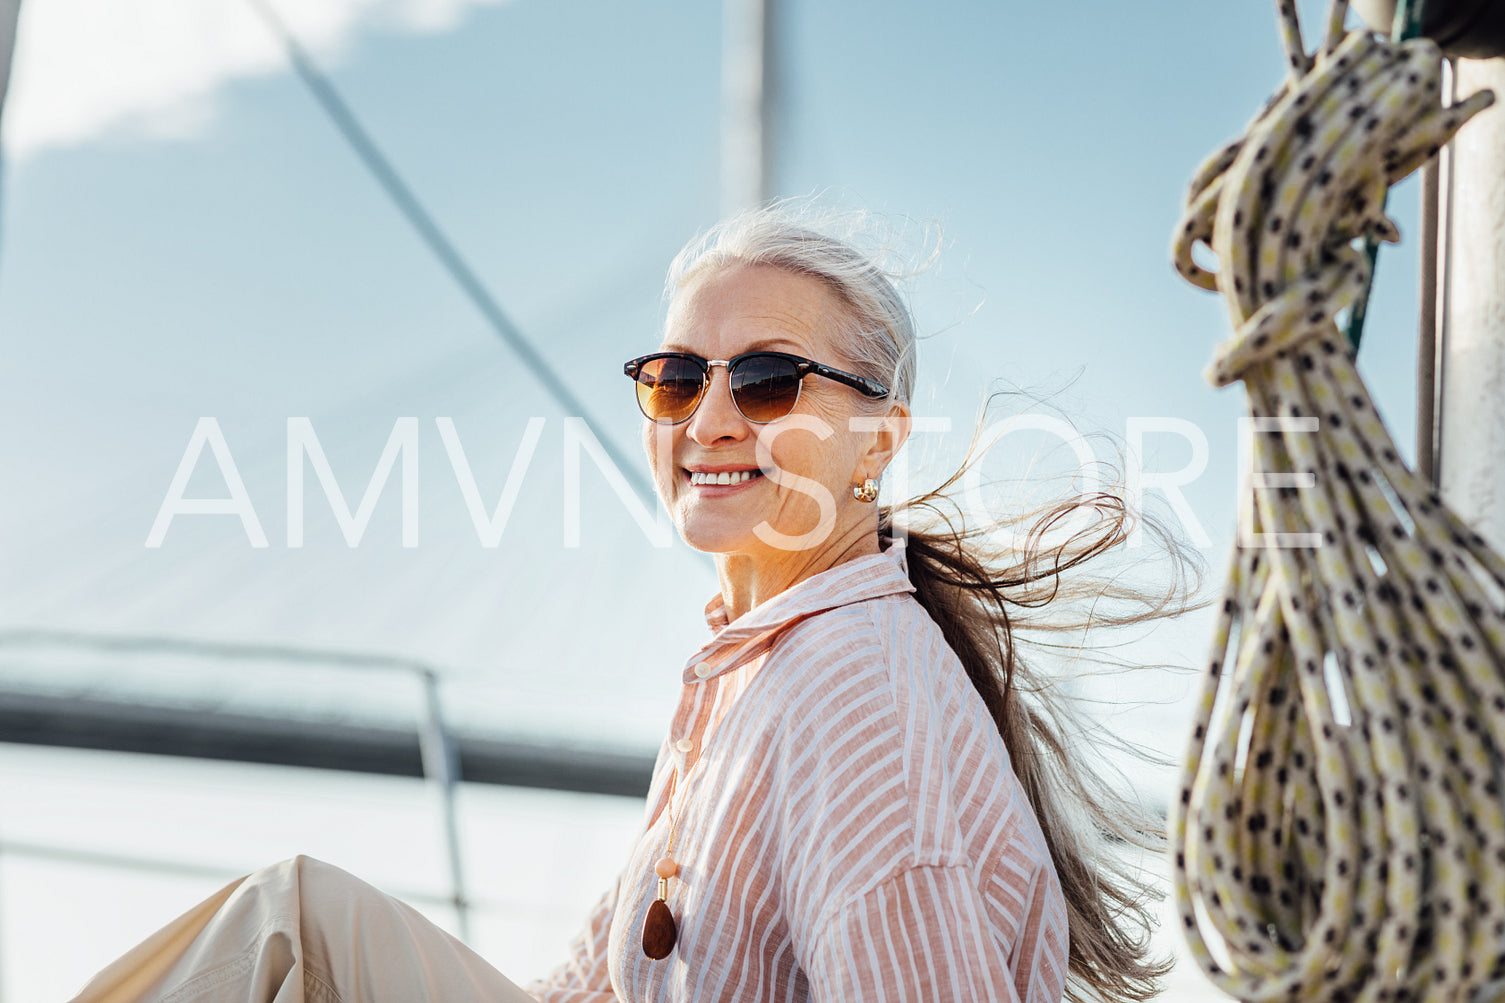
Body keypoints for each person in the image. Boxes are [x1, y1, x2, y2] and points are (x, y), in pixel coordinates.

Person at [70, 203, 1192, 1003]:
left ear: (877, 441)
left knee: (294, 924)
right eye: (674, 376)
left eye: (766, 378)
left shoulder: (856, 687)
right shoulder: (751, 670)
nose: (706, 418)